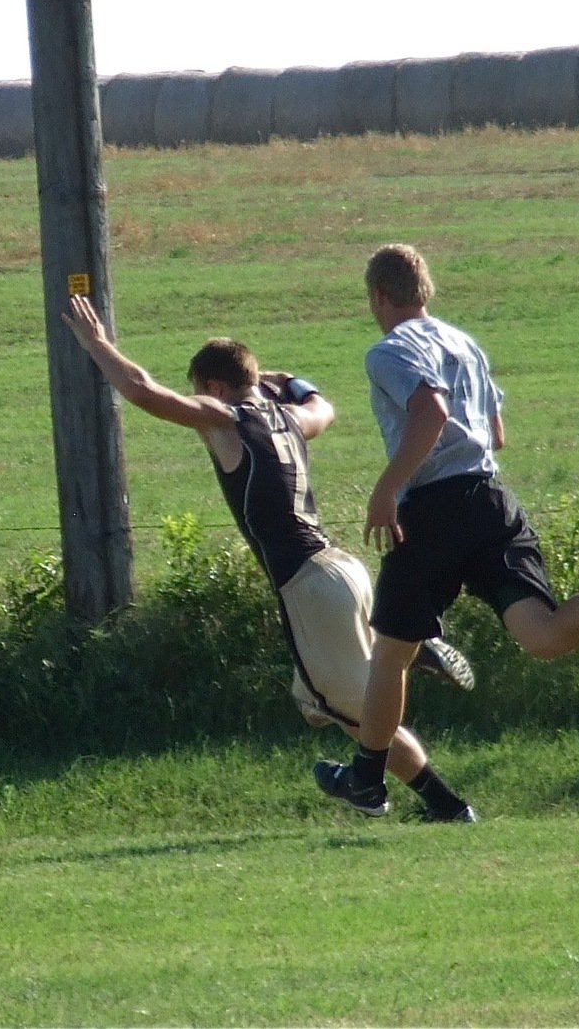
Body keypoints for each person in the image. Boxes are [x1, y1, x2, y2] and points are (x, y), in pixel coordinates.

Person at [62, 294, 478, 822]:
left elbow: (143, 390)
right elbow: (323, 407)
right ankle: (400, 658)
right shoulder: (289, 417)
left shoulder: (226, 419)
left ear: (213, 388)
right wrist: (291, 380)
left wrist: (97, 345)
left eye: (200, 392)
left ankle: (439, 800)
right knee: (312, 700)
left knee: (360, 718)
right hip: (342, 569)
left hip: (308, 584)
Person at [314, 243, 579, 817]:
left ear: (378, 296)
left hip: (434, 510)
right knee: (542, 635)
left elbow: (431, 412)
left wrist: (388, 487)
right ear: (426, 290)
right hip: (491, 501)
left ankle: (367, 780)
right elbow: (495, 432)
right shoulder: (465, 343)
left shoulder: (388, 350)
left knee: (390, 652)